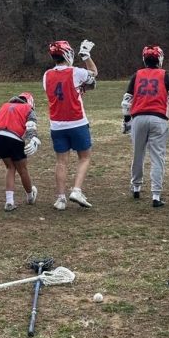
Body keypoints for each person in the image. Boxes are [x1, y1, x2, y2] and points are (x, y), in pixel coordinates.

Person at [121, 45, 169, 208]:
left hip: (138, 118)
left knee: (137, 154)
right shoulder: (166, 75)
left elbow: (126, 102)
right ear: (160, 59)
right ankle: (155, 195)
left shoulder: (137, 75)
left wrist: (126, 121)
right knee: (157, 157)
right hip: (158, 118)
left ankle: (136, 187)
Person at [44, 39, 98, 210]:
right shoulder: (76, 72)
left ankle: (60, 198)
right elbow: (93, 73)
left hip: (57, 124)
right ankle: (76, 190)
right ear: (68, 54)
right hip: (77, 122)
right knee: (85, 157)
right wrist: (86, 56)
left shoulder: (46, 75)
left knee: (61, 162)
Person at [0, 92, 41, 211]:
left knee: (10, 167)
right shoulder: (27, 108)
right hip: (14, 136)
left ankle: (9, 201)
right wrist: (33, 139)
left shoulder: (4, 106)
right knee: (22, 169)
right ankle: (30, 196)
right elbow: (31, 125)